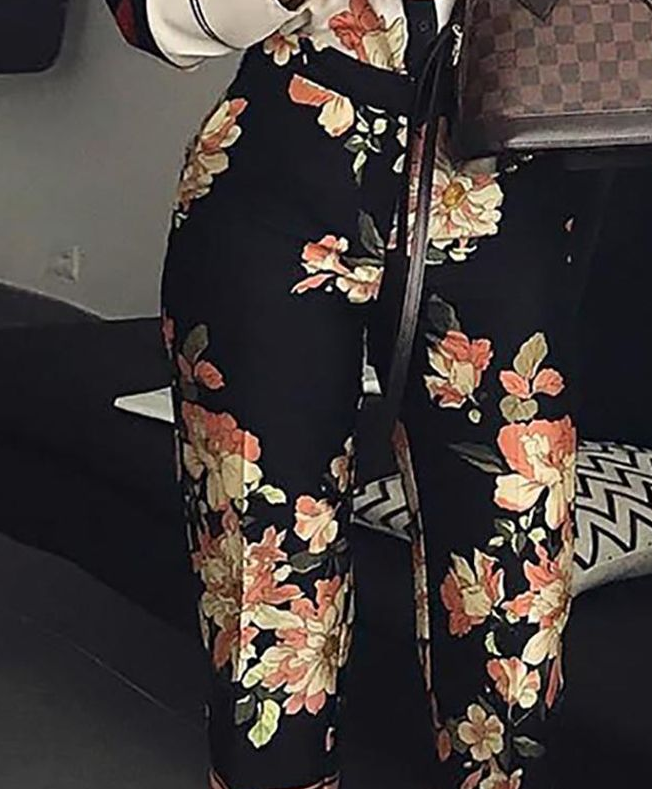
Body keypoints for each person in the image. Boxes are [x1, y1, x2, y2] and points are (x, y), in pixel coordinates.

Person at [105, 2, 597, 787]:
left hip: (506, 176)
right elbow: (156, 22)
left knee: (516, 575)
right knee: (264, 569)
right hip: (280, 176)